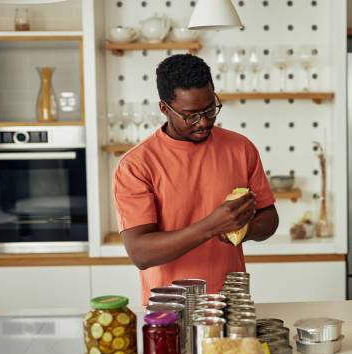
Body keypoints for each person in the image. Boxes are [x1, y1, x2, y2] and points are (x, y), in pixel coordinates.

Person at [113, 54, 279, 303]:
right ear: (164, 108)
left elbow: (270, 219)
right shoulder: (136, 165)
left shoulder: (240, 148)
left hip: (230, 302)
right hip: (169, 308)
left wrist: (244, 229)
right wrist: (213, 225)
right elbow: (141, 253)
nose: (203, 122)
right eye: (191, 115)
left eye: (210, 109)